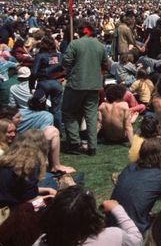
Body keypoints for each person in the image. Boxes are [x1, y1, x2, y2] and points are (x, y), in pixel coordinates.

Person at [110, 137, 161, 234]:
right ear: (160, 156)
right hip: (135, 231)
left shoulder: (129, 168)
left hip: (111, 224)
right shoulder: (158, 176)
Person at [33, 185, 143, 246]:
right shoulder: (114, 236)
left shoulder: (41, 242)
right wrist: (117, 209)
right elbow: (137, 240)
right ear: (91, 216)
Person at [62, 21, 109, 156]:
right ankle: (92, 146)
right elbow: (106, 63)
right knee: (91, 115)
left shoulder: (75, 44)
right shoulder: (100, 46)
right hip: (94, 84)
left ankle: (75, 142)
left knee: (68, 111)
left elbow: (66, 61)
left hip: (77, 83)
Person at [0, 129, 56, 210]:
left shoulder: (6, 159)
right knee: (52, 200)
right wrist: (49, 199)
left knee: (49, 183)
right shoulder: (30, 166)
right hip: (13, 211)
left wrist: (46, 190)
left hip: (5, 203)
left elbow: (19, 190)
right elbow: (29, 201)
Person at [29, 35, 65, 130]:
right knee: (56, 109)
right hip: (56, 83)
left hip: (43, 82)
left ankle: (43, 128)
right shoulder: (60, 56)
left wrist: (31, 86)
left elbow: (33, 73)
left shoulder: (40, 56)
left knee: (40, 107)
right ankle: (58, 130)